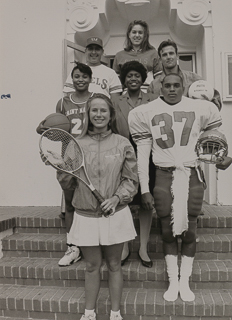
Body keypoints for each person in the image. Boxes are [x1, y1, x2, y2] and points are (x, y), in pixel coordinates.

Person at [128, 73, 223, 302]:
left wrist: (221, 158)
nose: (172, 89)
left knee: (190, 231)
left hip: (190, 174)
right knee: (167, 231)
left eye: (176, 85)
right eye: (168, 85)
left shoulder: (201, 108)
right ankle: (172, 280)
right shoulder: (145, 111)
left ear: (183, 87)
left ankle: (185, 281)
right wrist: (144, 189)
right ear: (161, 87)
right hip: (163, 175)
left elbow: (212, 142)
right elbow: (142, 157)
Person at [53, 93, 138, 320]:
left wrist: (117, 198)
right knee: (91, 265)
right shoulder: (76, 144)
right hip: (85, 214)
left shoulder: (122, 144)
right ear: (88, 114)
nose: (98, 114)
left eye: (103, 110)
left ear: (110, 115)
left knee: (114, 264)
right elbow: (68, 183)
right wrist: (61, 168)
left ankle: (115, 313)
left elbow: (131, 180)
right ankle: (89, 313)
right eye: (94, 110)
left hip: (115, 214)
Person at [37, 62, 93, 267]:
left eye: (84, 76)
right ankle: (72, 246)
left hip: (90, 153)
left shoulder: (97, 99)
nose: (80, 79)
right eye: (77, 76)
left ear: (90, 79)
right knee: (70, 204)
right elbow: (53, 129)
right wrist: (42, 129)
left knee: (92, 200)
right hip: (68, 155)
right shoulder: (62, 103)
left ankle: (93, 245)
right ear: (72, 78)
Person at [112, 61, 156, 267]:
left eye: (137, 75)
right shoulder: (114, 101)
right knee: (125, 201)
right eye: (129, 76)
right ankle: (126, 246)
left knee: (146, 202)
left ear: (142, 78)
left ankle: (143, 247)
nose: (133, 79)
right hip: (123, 155)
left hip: (148, 155)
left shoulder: (153, 99)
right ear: (124, 79)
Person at [147, 39, 222, 110]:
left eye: (171, 53)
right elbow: (149, 110)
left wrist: (207, 104)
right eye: (164, 55)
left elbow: (216, 100)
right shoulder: (154, 86)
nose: (168, 57)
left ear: (177, 56)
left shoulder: (193, 79)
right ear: (160, 59)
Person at [113, 20, 162, 92]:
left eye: (140, 32)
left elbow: (159, 78)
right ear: (129, 35)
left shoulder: (153, 53)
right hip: (126, 95)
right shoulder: (119, 55)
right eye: (134, 32)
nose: (137, 35)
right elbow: (116, 81)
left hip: (148, 94)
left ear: (145, 35)